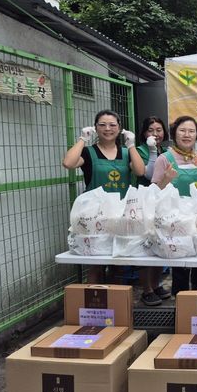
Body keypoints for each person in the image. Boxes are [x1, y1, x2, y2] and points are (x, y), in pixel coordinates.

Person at [62, 109, 145, 283]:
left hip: (121, 214)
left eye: (112, 125)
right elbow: (68, 163)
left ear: (119, 128)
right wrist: (82, 139)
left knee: (120, 260)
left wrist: (131, 146)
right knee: (96, 262)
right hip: (95, 216)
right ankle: (93, 296)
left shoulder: (126, 152)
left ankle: (116, 296)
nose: (108, 128)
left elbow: (140, 171)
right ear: (95, 128)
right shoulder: (88, 152)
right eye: (102, 125)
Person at [152, 116, 197, 297]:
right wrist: (166, 178)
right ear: (174, 134)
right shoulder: (164, 158)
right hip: (175, 222)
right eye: (182, 130)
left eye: (191, 131)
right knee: (180, 266)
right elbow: (153, 193)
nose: (187, 135)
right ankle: (181, 301)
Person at [135, 116, 172, 306]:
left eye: (159, 130)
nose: (155, 134)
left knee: (159, 244)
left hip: (162, 203)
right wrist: (151, 151)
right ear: (144, 133)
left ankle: (156, 285)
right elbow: (148, 174)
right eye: (151, 130)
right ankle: (146, 289)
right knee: (146, 245)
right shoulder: (140, 150)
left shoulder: (165, 152)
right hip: (144, 202)